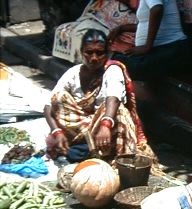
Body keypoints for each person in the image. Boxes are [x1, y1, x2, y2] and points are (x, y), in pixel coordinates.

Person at [44, 28, 149, 162]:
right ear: (81, 51)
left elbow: (114, 98)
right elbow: (48, 106)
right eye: (89, 52)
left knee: (120, 112)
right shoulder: (73, 73)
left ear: (108, 53)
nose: (94, 58)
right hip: (79, 129)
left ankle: (90, 150)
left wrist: (106, 124)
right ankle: (84, 147)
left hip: (105, 128)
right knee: (59, 99)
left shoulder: (112, 70)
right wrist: (56, 132)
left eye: (99, 53)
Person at [108, 0, 189, 80]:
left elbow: (157, 9)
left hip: (172, 50)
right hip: (164, 51)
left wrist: (146, 46)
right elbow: (146, 23)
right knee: (118, 61)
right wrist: (121, 28)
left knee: (118, 63)